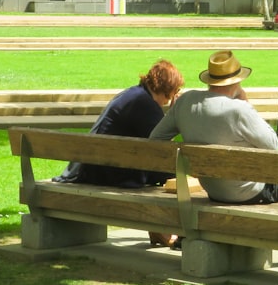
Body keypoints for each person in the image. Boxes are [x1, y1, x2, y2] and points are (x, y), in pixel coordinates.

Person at [149, 50, 278, 267]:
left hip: (214, 189)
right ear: (237, 81)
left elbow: (156, 139)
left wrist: (189, 164)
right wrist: (247, 104)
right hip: (248, 192)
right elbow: (273, 145)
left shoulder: (186, 102)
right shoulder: (238, 109)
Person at [51, 60, 185, 246]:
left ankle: (159, 228)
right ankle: (164, 229)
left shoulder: (134, 95)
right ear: (168, 89)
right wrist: (174, 115)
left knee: (166, 173)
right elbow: (164, 153)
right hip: (104, 173)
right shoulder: (144, 104)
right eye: (174, 92)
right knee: (177, 173)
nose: (172, 98)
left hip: (93, 167)